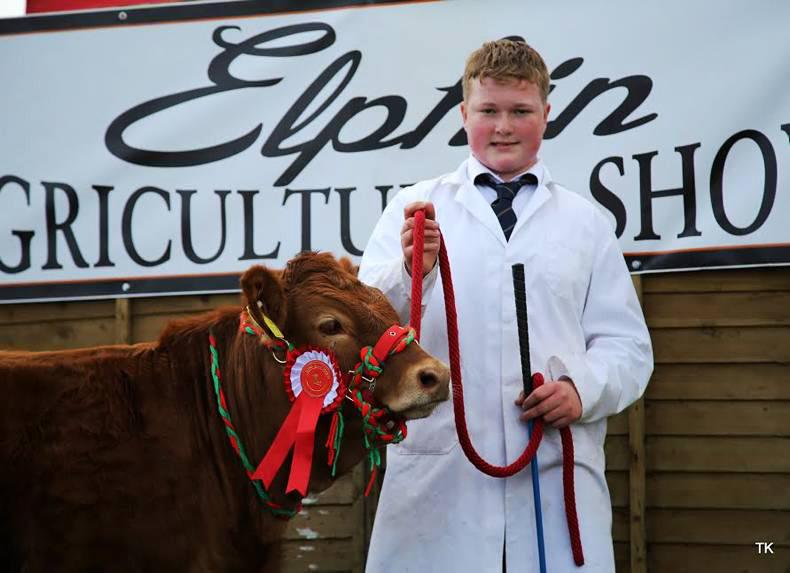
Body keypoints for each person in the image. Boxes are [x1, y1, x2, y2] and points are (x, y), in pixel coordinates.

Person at [358, 38, 653, 572]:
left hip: (552, 472)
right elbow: (371, 329)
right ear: (463, 112)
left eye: (521, 111)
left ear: (547, 113)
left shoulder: (586, 223)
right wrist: (411, 272)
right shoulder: (413, 208)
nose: (503, 127)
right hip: (440, 478)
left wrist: (581, 390)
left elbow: (628, 347)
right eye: (488, 111)